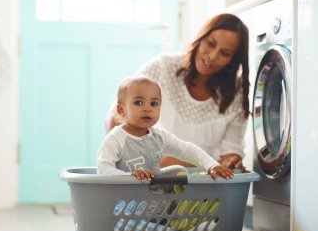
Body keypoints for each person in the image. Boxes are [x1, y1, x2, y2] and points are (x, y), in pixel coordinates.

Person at [105, 13, 249, 171]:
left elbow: (230, 150)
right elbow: (115, 117)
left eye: (225, 53)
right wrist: (138, 160)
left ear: (233, 60)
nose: (213, 56)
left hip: (205, 180)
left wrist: (232, 161)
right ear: (200, 38)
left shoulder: (236, 93)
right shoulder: (163, 67)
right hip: (154, 175)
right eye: (210, 43)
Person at [97, 76, 234, 181]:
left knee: (178, 171)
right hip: (123, 204)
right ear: (121, 110)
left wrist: (211, 165)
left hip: (154, 203)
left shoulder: (159, 137)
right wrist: (130, 176)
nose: (147, 108)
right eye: (138, 102)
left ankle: (174, 209)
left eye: (154, 103)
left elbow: (186, 149)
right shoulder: (116, 139)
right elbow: (103, 170)